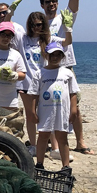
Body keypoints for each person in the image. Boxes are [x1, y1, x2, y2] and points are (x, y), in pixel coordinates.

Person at [40, 0, 93, 155]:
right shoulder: (40, 23)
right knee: (51, 106)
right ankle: (55, 146)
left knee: (75, 107)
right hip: (47, 68)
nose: (51, 4)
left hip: (66, 66)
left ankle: (80, 142)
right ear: (42, 5)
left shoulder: (65, 17)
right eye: (47, 1)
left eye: (53, 1)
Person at [15, 11, 73, 156]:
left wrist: (68, 28)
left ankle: (55, 148)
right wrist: (10, 12)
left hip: (46, 82)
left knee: (50, 114)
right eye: (33, 25)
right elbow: (8, 27)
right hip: (27, 83)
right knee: (31, 115)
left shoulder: (49, 38)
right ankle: (33, 146)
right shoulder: (23, 39)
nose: (36, 27)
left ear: (44, 24)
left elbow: (67, 42)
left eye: (39, 24)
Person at [28, 41, 79, 173]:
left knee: (62, 137)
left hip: (62, 111)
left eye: (58, 55)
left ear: (62, 56)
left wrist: (74, 109)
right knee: (43, 136)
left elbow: (73, 93)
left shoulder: (67, 73)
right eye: (52, 55)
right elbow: (34, 94)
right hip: (46, 110)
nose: (55, 57)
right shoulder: (40, 73)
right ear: (46, 55)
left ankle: (65, 166)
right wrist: (32, 111)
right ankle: (39, 164)